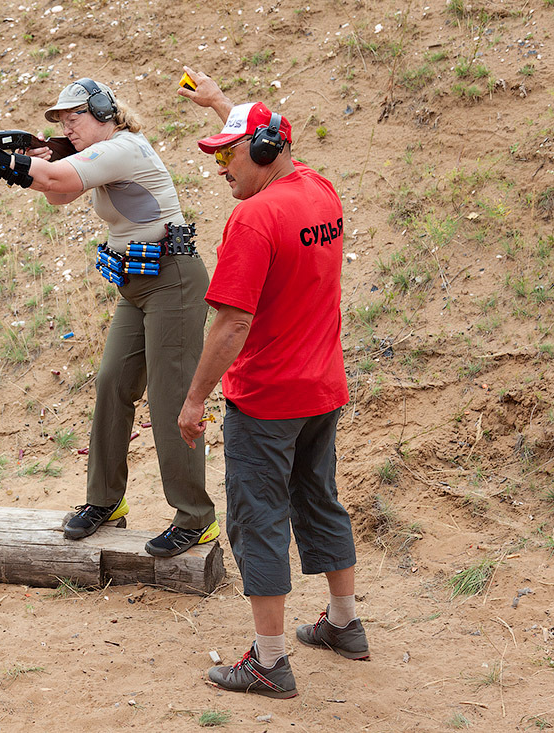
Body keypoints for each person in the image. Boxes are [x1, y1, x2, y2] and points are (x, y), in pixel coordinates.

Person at [0, 78, 218, 557]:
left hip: (174, 282)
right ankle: (106, 500)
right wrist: (39, 160)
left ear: (106, 111)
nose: (68, 127)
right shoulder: (102, 155)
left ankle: (196, 518)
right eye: (61, 121)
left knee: (171, 400)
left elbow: (57, 183)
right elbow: (58, 194)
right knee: (112, 384)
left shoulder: (125, 147)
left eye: (75, 118)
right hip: (137, 283)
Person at [176, 72, 369, 698]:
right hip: (321, 389)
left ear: (260, 154)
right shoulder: (319, 190)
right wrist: (222, 106)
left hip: (266, 398)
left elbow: (232, 322)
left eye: (228, 155)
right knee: (319, 500)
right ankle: (344, 624)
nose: (221, 167)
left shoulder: (254, 221)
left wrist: (195, 397)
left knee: (258, 518)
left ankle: (268, 660)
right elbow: (268, 137)